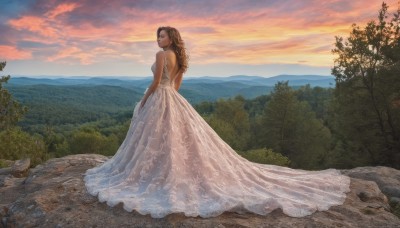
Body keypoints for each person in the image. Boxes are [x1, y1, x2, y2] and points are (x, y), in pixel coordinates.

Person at [83, 26, 351, 219]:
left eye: (162, 35)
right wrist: (170, 100)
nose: (158, 39)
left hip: (158, 97)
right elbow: (176, 85)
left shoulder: (161, 56)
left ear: (171, 38)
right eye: (157, 36)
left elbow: (156, 82)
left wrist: (145, 101)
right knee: (174, 140)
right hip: (173, 99)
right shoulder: (179, 58)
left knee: (158, 140)